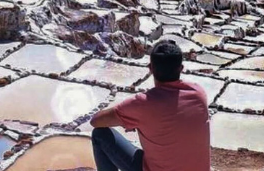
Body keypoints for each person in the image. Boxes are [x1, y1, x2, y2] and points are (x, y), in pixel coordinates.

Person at [89, 39, 210, 171]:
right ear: (180, 68)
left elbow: (96, 121)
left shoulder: (143, 104)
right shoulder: (199, 94)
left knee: (100, 135)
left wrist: (128, 119)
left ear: (150, 69)